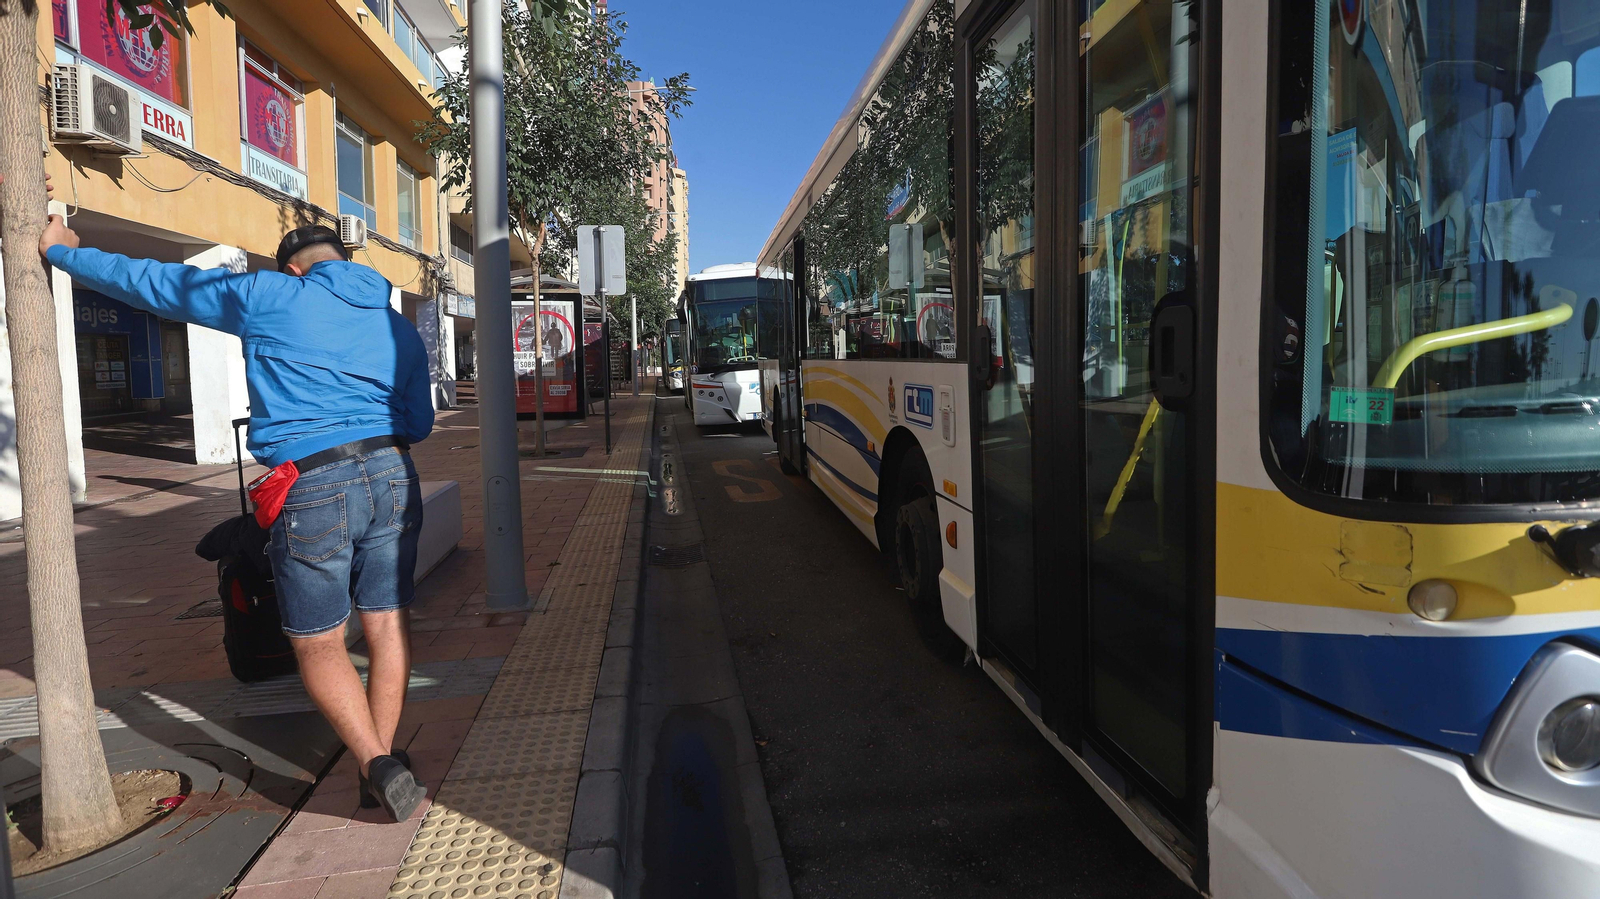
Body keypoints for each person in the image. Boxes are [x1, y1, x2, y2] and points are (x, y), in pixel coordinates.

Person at [38, 218, 434, 821]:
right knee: (385, 624)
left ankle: (375, 762)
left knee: (320, 639)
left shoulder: (272, 294)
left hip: (314, 483)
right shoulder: (397, 326)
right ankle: (375, 766)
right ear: (342, 260)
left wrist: (69, 253)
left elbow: (165, 284)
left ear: (294, 268)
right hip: (393, 476)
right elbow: (419, 423)